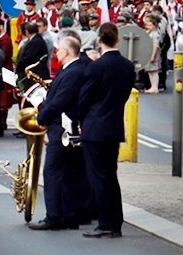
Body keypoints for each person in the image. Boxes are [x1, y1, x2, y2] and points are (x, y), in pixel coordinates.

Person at [78, 23, 137, 238]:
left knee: (98, 178)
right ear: (117, 39)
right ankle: (115, 223)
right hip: (113, 126)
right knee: (111, 176)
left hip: (95, 127)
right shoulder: (127, 66)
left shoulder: (96, 67)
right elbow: (125, 94)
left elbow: (84, 99)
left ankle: (105, 223)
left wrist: (81, 121)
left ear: (99, 40)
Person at [30, 35, 91, 230]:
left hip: (63, 129)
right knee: (68, 174)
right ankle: (69, 215)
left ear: (66, 52)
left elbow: (60, 101)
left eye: (58, 50)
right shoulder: (73, 69)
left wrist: (42, 117)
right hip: (63, 127)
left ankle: (54, 217)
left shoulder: (74, 72)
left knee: (53, 172)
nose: (56, 53)